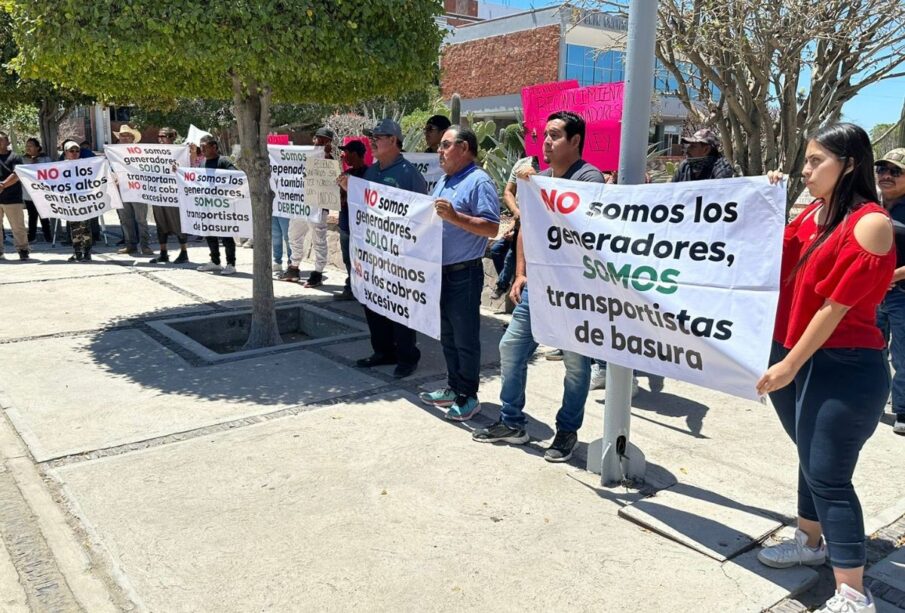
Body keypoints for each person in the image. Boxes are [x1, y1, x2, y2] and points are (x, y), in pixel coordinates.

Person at [756, 123, 894, 613]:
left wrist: (789, 365)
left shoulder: (870, 222)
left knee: (829, 475)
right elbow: (773, 257)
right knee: (810, 459)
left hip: (842, 365)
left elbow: (832, 308)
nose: (806, 170)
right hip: (793, 353)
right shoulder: (814, 213)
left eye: (817, 161)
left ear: (850, 164)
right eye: (806, 160)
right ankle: (810, 544)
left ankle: (854, 592)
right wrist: (767, 201)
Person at [472, 111, 603, 462]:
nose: (546, 142)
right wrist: (520, 274)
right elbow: (529, 228)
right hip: (538, 289)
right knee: (511, 348)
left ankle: (566, 431)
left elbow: (578, 223)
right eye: (545, 135)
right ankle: (512, 421)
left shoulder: (588, 178)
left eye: (555, 135)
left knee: (576, 366)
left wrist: (538, 188)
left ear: (575, 141)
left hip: (575, 293)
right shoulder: (541, 179)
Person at [419, 126, 500, 419]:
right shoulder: (443, 180)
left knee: (465, 338)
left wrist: (455, 217)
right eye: (440, 145)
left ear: (464, 148)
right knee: (448, 335)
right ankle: (453, 387)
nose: (439, 151)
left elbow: (492, 227)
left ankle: (469, 396)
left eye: (445, 145)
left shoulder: (479, 182)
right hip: (440, 271)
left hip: (464, 273)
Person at [340, 118, 428, 378]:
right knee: (373, 303)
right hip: (373, 254)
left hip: (399, 256)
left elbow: (420, 215)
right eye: (373, 137)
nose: (373, 142)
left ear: (393, 140)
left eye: (378, 137)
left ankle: (407, 356)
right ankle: (383, 351)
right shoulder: (371, 172)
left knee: (399, 307)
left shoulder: (409, 174)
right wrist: (350, 189)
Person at [874, 148, 905, 435]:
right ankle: (872, 402)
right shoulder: (871, 205)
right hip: (871, 294)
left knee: (903, 355)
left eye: (895, 171)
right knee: (871, 351)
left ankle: (903, 410)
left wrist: (889, 277)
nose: (886, 175)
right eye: (882, 169)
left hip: (901, 295)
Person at [279, 126, 333, 286]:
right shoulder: (303, 156)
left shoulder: (329, 160)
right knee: (294, 236)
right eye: (318, 138)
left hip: (317, 207)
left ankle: (317, 273)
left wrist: (325, 156)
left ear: (329, 142)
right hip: (299, 205)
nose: (319, 142)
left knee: (319, 240)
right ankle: (293, 268)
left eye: (324, 140)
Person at [489, 156, 538, 301]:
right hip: (518, 222)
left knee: (512, 257)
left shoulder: (553, 166)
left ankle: (503, 284)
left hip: (535, 226)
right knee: (497, 250)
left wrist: (537, 179)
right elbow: (508, 192)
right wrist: (515, 213)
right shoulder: (521, 163)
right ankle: (508, 283)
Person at [196, 135, 237, 275]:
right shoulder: (202, 163)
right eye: (200, 147)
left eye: (204, 147)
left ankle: (231, 264)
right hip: (207, 204)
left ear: (214, 147)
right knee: (209, 232)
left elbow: (235, 176)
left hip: (222, 205)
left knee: (226, 235)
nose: (202, 150)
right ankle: (215, 262)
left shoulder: (224, 161)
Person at [335, 140, 369, 299]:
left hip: (361, 227)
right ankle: (351, 288)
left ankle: (363, 290)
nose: (344, 155)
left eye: (347, 152)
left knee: (361, 260)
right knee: (348, 259)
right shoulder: (345, 174)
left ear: (355, 154)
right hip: (345, 224)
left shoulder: (369, 175)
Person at [149, 127, 189, 265]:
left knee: (177, 223)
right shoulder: (154, 153)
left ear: (171, 137)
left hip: (174, 194)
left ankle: (184, 252)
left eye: (163, 136)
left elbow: (188, 170)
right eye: (159, 136)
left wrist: (178, 169)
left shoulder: (180, 152)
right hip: (158, 193)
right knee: (161, 224)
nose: (160, 139)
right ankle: (163, 252)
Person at [112, 124, 153, 256]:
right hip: (121, 190)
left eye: (127, 135)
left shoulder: (141, 152)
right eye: (122, 135)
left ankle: (145, 245)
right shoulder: (114, 153)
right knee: (125, 219)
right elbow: (110, 169)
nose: (124, 138)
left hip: (137, 190)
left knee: (141, 219)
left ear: (132, 138)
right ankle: (130, 245)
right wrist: (114, 178)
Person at [59, 141, 94, 262]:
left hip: (84, 200)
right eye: (71, 151)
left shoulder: (85, 165)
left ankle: (87, 252)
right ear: (66, 152)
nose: (74, 153)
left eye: (77, 151)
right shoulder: (60, 166)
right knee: (74, 228)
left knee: (85, 227)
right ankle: (77, 252)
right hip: (70, 201)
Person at [0, 131, 28, 261]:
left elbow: (16, 174)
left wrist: (3, 185)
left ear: (7, 142)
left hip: (13, 198)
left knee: (18, 227)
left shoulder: (15, 157)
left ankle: (23, 250)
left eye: (1, 140)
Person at [22, 138, 53, 244]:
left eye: (30, 145)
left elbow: (51, 173)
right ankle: (31, 237)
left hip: (42, 192)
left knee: (44, 215)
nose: (28, 148)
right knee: (32, 216)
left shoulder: (45, 159)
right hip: (28, 193)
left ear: (37, 147)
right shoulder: (22, 160)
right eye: (27, 146)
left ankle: (48, 236)